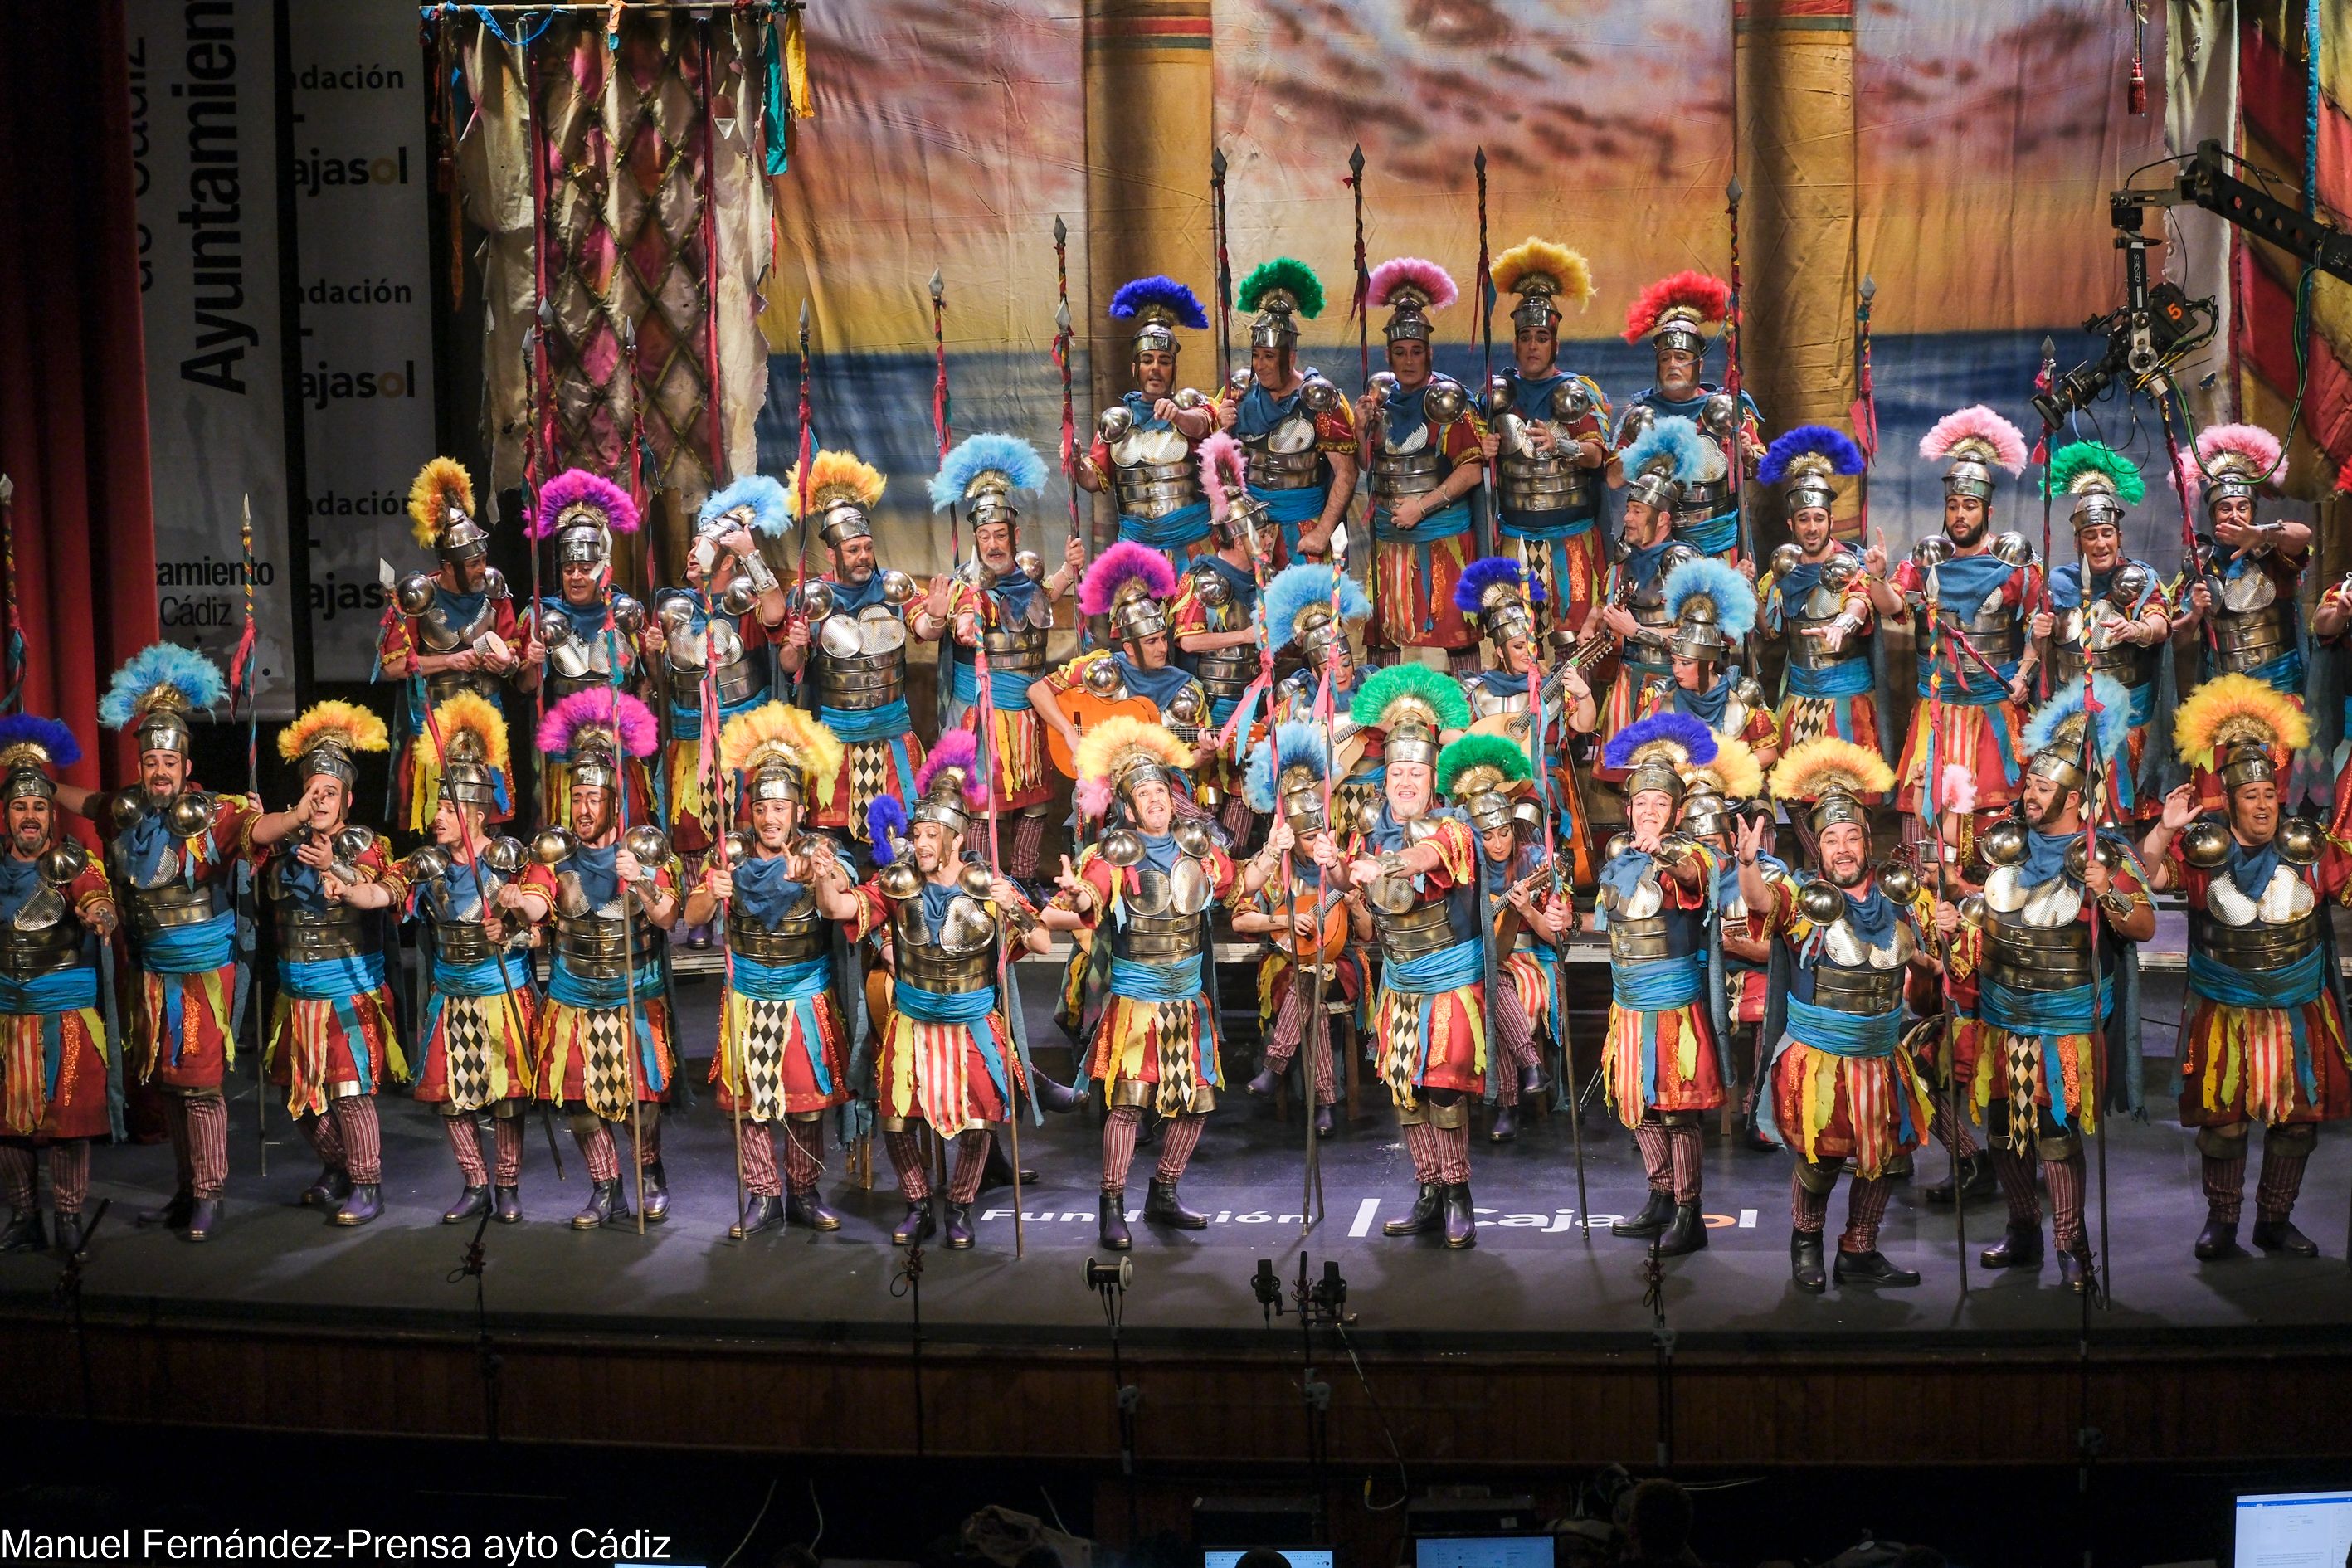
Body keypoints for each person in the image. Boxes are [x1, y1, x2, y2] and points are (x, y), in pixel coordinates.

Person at [1940, 675, 2155, 1293]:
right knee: (2006, 1132)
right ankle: (2022, 1229)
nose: (2028, 794)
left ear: (2070, 794)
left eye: (2040, 786)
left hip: (2063, 1021)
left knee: (2056, 1135)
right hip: (2002, 1015)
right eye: (2028, 783)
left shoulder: (2103, 850)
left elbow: (2141, 924)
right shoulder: (2003, 844)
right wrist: (1954, 907)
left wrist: (2104, 888)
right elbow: (1964, 887)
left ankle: (2070, 1241)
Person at [2146, 674, 2346, 1259]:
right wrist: (2163, 828)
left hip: (2296, 1007)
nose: (2262, 806)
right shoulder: (2204, 853)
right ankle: (2222, 1223)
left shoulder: (2307, 846)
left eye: (2268, 796)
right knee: (2224, 1122)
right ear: (2230, 800)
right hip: (2225, 1008)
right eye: (2250, 797)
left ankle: (2274, 1221)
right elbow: (2148, 878)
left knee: (2296, 1123)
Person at [1049, 717, 1256, 1249]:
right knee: (1128, 1103)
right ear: (1129, 807)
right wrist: (1076, 894)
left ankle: (1164, 1192)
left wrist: (1274, 850)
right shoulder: (1112, 855)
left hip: (1188, 999)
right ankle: (1112, 1202)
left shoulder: (1200, 849)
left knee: (1196, 1103)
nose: (1156, 800)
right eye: (1144, 794)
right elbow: (1093, 899)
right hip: (1137, 1002)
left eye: (1160, 791)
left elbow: (1236, 888)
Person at [1746, 738, 1939, 1290]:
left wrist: (1934, 949)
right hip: (1821, 1058)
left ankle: (1859, 1249)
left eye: (1851, 835)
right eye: (1831, 838)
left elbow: (1921, 963)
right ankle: (1804, 1245)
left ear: (1865, 841)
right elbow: (1761, 902)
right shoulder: (1802, 900)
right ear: (1819, 850)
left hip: (1880, 1055)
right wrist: (1745, 864)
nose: (1843, 847)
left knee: (1883, 1159)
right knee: (1820, 1160)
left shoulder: (1896, 899)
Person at [85, 645, 256, 1243]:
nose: (159, 772)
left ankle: (210, 1195)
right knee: (171, 1087)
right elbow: (83, 803)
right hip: (155, 972)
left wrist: (296, 814)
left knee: (202, 1086)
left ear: (187, 767)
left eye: (169, 762)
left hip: (203, 970)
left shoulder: (213, 814)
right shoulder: (128, 818)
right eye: (150, 761)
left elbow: (257, 830)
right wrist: (30, 780)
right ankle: (186, 1191)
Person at [854, 740, 1051, 1249]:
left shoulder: (988, 882)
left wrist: (1014, 906)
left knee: (981, 1116)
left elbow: (1044, 941)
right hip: (913, 1017)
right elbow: (845, 909)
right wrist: (829, 880)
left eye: (929, 834)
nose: (919, 842)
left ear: (955, 838)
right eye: (917, 833)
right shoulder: (898, 880)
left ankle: (960, 1204)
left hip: (970, 1019)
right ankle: (918, 1203)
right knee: (895, 1118)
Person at [1327, 666, 1488, 1248]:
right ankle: (1428, 1191)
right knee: (1407, 1090)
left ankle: (1458, 1192)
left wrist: (1385, 866)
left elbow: (1426, 855)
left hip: (1448, 979)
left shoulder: (1455, 827)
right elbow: (1351, 876)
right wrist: (1337, 862)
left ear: (1431, 779)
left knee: (1444, 1089)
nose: (1404, 781)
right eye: (1396, 772)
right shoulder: (1369, 831)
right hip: (1399, 980)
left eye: (1415, 773)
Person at [686, 703, 855, 1237]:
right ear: (751, 811)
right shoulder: (729, 854)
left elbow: (839, 901)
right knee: (754, 1103)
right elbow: (687, 915)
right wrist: (709, 896)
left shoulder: (819, 852)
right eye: (762, 807)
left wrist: (825, 877)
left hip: (805, 991)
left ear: (798, 811)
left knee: (806, 1104)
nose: (770, 817)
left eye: (781, 807)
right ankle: (763, 1196)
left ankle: (803, 1192)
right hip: (749, 995)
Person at [511, 695, 680, 1230]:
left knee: (640, 1103)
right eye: (577, 798)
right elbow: (539, 898)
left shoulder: (645, 849)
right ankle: (606, 1189)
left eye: (594, 798)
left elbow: (670, 918)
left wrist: (645, 881)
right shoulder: (554, 855)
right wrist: (519, 903)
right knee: (580, 1100)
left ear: (613, 800)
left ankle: (649, 1173)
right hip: (575, 993)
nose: (584, 809)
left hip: (634, 989)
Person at [249, 702, 407, 1227]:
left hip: (347, 991)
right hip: (296, 994)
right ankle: (337, 1167)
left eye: (330, 793)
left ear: (347, 799)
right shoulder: (282, 845)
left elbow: (374, 889)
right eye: (313, 791)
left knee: (349, 1092)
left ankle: (367, 1183)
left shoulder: (367, 844)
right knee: (300, 1096)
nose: (320, 801)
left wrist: (333, 864)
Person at [397, 697, 539, 1226]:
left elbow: (539, 929)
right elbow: (384, 894)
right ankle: (474, 1183)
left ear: (474, 815)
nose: (435, 818)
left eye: (446, 809)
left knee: (504, 1098)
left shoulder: (508, 859)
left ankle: (506, 1185)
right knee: (455, 1096)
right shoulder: (427, 865)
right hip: (451, 992)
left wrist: (513, 929)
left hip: (500, 991)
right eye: (436, 807)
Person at [1868, 406, 2043, 839]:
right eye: (1952, 506)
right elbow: (1894, 607)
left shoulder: (2016, 561)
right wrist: (1875, 577)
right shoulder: (1924, 559)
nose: (1960, 515)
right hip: (1939, 707)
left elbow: (2040, 622)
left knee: (1995, 828)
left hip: (1995, 705)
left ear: (1988, 510)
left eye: (1969, 506)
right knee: (1925, 827)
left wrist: (2025, 672)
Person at [1593, 712, 1726, 1256]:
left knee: (1676, 1107)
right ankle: (1659, 1196)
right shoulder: (1616, 857)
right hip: (1627, 1001)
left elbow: (1695, 877)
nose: (1648, 812)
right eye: (1641, 804)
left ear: (1674, 813)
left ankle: (1690, 1210)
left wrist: (1665, 853)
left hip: (1671, 1005)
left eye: (1659, 804)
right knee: (1638, 1104)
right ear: (1629, 810)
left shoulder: (1688, 853)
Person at [936, 434, 1083, 886]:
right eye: (986, 536)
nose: (994, 544)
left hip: (1031, 711)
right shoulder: (966, 585)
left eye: (1001, 535)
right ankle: (981, 883)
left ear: (1015, 535)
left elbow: (1039, 601)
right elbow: (959, 616)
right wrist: (960, 623)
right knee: (983, 802)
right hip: (983, 714)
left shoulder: (1025, 579)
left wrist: (1067, 570)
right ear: (976, 539)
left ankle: (1021, 885)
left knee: (1034, 802)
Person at [0, 716, 117, 1257]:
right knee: (8, 1125)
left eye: (40, 806)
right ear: (7, 814)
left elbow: (95, 896)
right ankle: (25, 1218)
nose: (30, 815)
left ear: (52, 813)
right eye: (21, 806)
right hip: (6, 1013)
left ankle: (69, 1219)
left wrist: (100, 916)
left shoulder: (72, 864)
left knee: (68, 1122)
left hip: (63, 1011)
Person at [2033, 441, 2174, 822]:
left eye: (2107, 533)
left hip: (2130, 721)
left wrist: (2138, 628)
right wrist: (2039, 632)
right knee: (2077, 819)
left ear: (2119, 536)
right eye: (2091, 535)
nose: (2100, 542)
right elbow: (2039, 644)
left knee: (2128, 816)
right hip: (2074, 721)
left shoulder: (2140, 577)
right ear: (2077, 541)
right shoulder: (2058, 583)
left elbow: (2161, 624)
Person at [1478, 238, 1612, 640]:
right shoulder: (1496, 394)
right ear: (1515, 342)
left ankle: (1579, 706)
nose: (1532, 346)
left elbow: (1597, 456)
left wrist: (1562, 445)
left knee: (1574, 641)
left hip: (1570, 539)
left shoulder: (1578, 391)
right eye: (1525, 338)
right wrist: (1485, 452)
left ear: (1554, 342)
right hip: (1517, 538)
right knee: (1520, 644)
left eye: (1540, 337)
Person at [380, 458, 523, 832]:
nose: (481, 569)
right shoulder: (417, 597)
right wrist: (450, 661)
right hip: (436, 725)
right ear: (447, 565)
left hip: (485, 721)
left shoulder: (494, 589)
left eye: (482, 560)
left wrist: (506, 663)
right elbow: (392, 666)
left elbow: (516, 655)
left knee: (487, 825)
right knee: (440, 823)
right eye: (473, 563)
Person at [1358, 257, 1486, 672]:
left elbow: (1470, 469)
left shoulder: (1448, 400)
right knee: (1383, 640)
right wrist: (1363, 429)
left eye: (1416, 352)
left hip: (1441, 539)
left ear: (1428, 352)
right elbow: (1368, 466)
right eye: (1400, 353)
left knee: (1456, 638)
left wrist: (1423, 507)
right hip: (1388, 540)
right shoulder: (1379, 400)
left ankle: (1466, 721)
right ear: (1389, 356)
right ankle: (1378, 723)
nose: (1409, 361)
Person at [1236, 720, 1358, 1138]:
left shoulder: (1339, 863)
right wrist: (1281, 921)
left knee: (1317, 979)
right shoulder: (1273, 867)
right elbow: (1239, 918)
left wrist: (1353, 898)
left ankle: (1274, 1066)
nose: (1311, 842)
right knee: (1311, 997)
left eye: (1316, 834)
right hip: (1283, 966)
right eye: (1304, 835)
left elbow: (1365, 927)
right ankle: (1324, 1102)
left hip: (1340, 966)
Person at [1439, 733, 1563, 1142]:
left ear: (1513, 829)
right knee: (1488, 979)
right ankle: (1528, 1069)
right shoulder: (1465, 867)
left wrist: (1527, 908)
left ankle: (1508, 1103)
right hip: (1479, 956)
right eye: (1487, 836)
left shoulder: (1533, 862)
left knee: (1498, 982)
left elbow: (1556, 933)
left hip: (1529, 960)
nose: (1497, 843)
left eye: (1503, 833)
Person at [1454, 557, 1600, 886]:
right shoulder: (1476, 692)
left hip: (1538, 785)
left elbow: (1583, 726)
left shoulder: (1551, 689)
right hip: (1487, 786)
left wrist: (1584, 695)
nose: (1527, 653)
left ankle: (1535, 888)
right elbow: (1452, 737)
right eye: (1518, 647)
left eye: (1531, 646)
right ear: (1501, 650)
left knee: (1525, 817)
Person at [523, 468, 651, 825]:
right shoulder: (541, 614)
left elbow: (647, 680)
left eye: (585, 568)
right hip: (564, 752)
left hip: (617, 747)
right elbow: (524, 687)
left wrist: (653, 652)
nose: (576, 576)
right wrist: (530, 664)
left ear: (602, 568)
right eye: (569, 569)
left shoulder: (625, 612)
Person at [1611, 270, 1762, 563]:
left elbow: (1759, 470)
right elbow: (1614, 479)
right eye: (1665, 358)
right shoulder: (1641, 414)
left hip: (1718, 547)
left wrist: (1749, 455)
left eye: (1681, 358)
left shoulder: (1727, 410)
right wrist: (1644, 448)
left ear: (1699, 365)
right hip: (1656, 549)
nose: (1672, 365)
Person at [1215, 258, 1358, 563]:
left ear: (1291, 355)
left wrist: (1323, 531)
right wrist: (1220, 427)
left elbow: (1346, 471)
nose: (1260, 365)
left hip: (1303, 528)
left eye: (1269, 356)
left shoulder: (1319, 398)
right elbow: (1216, 462)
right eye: (1256, 355)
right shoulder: (1239, 392)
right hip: (1251, 532)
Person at [1174, 434, 1280, 842]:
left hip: (1255, 694)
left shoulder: (1264, 577)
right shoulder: (1204, 578)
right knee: (1216, 785)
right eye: (1262, 534)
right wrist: (1246, 636)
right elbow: (1187, 641)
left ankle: (1243, 861)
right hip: (1216, 698)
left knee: (1247, 782)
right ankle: (1218, 868)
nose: (1269, 539)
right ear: (1239, 539)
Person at [1676, 738, 1780, 1152]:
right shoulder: (1681, 874)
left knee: (1767, 1005)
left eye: (1715, 843)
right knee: (1678, 1007)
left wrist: (1734, 948)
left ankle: (1758, 1109)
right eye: (1697, 845)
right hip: (1701, 974)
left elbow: (1777, 948)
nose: (1708, 853)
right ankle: (1682, 1106)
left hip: (1753, 973)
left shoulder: (1766, 873)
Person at [1078, 275, 1220, 570]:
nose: (1155, 368)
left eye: (1164, 361)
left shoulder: (1192, 406)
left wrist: (1178, 416)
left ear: (1174, 369)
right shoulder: (1116, 423)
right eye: (1147, 360)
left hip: (1191, 547)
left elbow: (1204, 425)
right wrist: (1075, 461)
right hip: (1137, 551)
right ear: (1135, 368)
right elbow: (1094, 480)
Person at [1035, 543, 1213, 777]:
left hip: (1159, 782)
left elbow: (1188, 761)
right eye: (1151, 642)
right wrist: (1069, 732)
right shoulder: (1102, 666)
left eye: (1162, 639)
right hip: (1104, 779)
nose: (1162, 648)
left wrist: (1206, 754)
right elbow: (1038, 691)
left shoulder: (1184, 688)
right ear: (1129, 647)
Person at [1755, 426, 1878, 758]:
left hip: (1846, 698)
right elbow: (1770, 631)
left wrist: (1843, 624)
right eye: (1804, 519)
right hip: (1799, 695)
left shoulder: (1852, 565)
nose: (1812, 527)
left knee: (1842, 793)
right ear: (1791, 525)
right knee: (1796, 798)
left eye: (1819, 519)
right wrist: (1746, 589)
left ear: (1831, 521)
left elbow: (1859, 601)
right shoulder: (1782, 571)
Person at [1584, 418, 1704, 751]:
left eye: (1636, 511)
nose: (1627, 518)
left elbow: (1698, 638)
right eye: (1628, 509)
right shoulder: (1626, 556)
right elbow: (1607, 601)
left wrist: (1637, 631)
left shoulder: (1680, 560)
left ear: (1662, 519)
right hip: (1627, 680)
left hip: (1668, 685)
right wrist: (1591, 622)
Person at [2174, 423, 2307, 695]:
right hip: (2224, 690)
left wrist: (2261, 535)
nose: (2234, 515)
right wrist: (2195, 615)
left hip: (2280, 687)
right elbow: (2177, 640)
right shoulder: (2198, 563)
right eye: (2224, 508)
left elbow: (2303, 536)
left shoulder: (2273, 550)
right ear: (2212, 515)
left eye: (2242, 507)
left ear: (2252, 512)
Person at [1652, 557, 1780, 769]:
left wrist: (1726, 770)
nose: (1676, 670)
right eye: (1674, 662)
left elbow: (1767, 753)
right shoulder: (1661, 697)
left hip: (1732, 791)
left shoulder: (1743, 696)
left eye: (1685, 663)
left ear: (1708, 663)